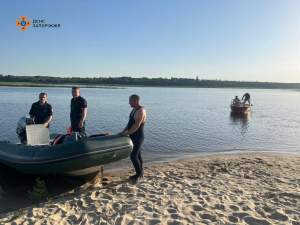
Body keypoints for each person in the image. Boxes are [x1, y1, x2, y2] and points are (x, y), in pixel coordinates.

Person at [119, 94, 146, 182]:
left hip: (138, 136)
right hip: (132, 135)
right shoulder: (134, 110)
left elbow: (137, 125)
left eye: (130, 101)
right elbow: (130, 123)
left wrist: (127, 133)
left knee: (133, 156)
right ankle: (140, 173)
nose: (129, 103)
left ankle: (139, 175)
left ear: (135, 101)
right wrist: (124, 131)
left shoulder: (140, 110)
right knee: (138, 155)